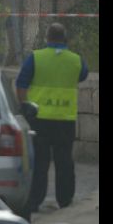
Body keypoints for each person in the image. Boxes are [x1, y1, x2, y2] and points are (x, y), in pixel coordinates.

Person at [16, 23, 88, 212]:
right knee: (64, 161)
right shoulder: (76, 60)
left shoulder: (35, 58)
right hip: (65, 119)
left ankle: (35, 201)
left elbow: (21, 84)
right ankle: (65, 200)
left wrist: (25, 105)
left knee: (39, 162)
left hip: (39, 118)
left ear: (47, 38)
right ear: (65, 39)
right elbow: (82, 75)